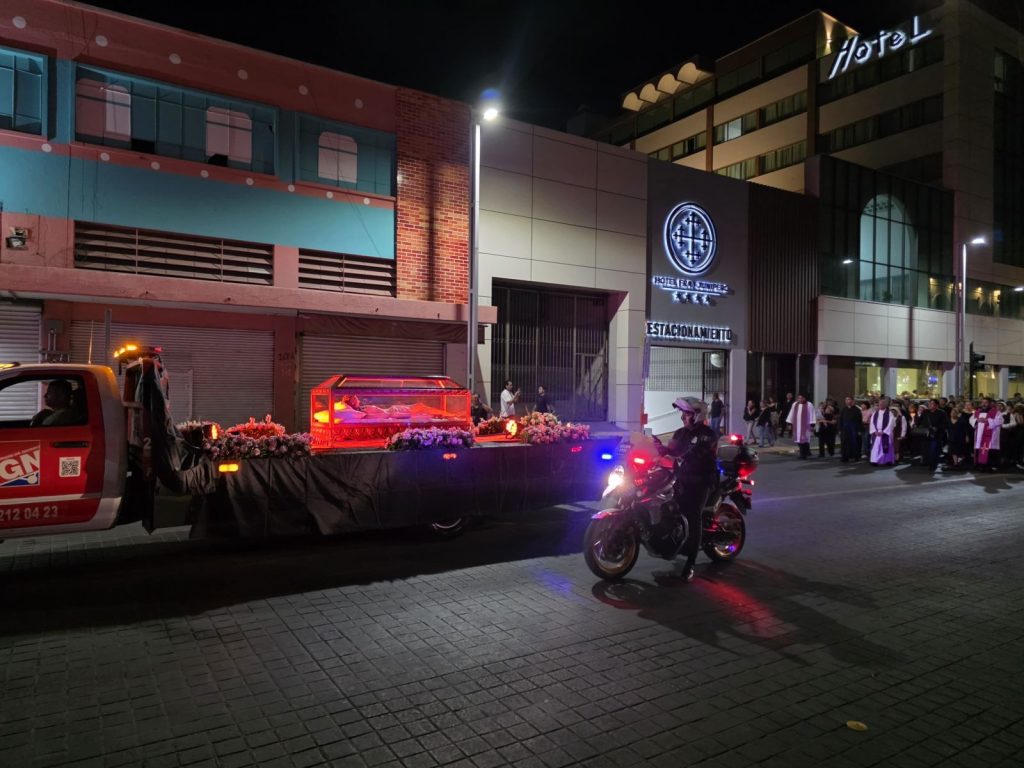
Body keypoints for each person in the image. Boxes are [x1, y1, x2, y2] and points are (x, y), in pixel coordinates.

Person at [658, 397, 719, 584]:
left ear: (697, 415)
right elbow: (670, 449)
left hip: (701, 481)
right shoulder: (680, 433)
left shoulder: (708, 434)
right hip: (682, 479)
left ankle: (691, 562)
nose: (683, 417)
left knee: (693, 516)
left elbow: (696, 453)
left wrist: (678, 457)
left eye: (686, 414)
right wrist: (656, 448)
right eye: (683, 413)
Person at [970, 397, 1004, 471]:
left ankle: (989, 466)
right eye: (983, 402)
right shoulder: (978, 412)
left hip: (990, 436)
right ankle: (980, 466)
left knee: (989, 451)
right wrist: (977, 420)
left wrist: (987, 420)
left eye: (986, 402)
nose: (984, 404)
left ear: (990, 403)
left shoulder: (995, 412)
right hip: (979, 435)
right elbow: (971, 419)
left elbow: (1000, 421)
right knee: (980, 449)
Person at [917, 398, 949, 471]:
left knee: (934, 449)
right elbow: (920, 421)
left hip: (936, 435)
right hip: (926, 434)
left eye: (932, 404)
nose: (930, 405)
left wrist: (937, 428)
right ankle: (927, 461)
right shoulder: (925, 412)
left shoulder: (942, 413)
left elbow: (945, 423)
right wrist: (917, 425)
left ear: (936, 405)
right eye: (929, 404)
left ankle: (933, 465)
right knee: (926, 449)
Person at [787, 393, 816, 459]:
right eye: (799, 398)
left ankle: (803, 454)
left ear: (805, 398)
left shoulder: (809, 404)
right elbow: (791, 413)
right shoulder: (795, 404)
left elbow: (812, 414)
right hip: (796, 425)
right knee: (798, 440)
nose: (800, 399)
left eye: (801, 398)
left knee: (804, 440)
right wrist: (789, 423)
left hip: (805, 426)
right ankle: (805, 452)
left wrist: (812, 424)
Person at [869, 397, 896, 466]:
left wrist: (884, 431)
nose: (880, 405)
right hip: (876, 434)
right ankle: (875, 461)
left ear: (885, 405)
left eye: (882, 403)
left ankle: (887, 460)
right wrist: (875, 431)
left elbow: (891, 424)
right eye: (880, 403)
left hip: (885, 434)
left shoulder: (889, 414)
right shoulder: (875, 413)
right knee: (876, 448)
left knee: (886, 447)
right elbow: (872, 423)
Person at [838, 396, 862, 462]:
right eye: (846, 400)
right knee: (844, 443)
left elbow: (859, 421)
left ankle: (856, 456)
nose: (847, 401)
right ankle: (845, 457)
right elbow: (840, 420)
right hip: (845, 429)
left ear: (852, 400)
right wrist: (839, 429)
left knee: (855, 443)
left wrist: (859, 430)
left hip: (854, 429)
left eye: (848, 399)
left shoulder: (857, 410)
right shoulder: (843, 409)